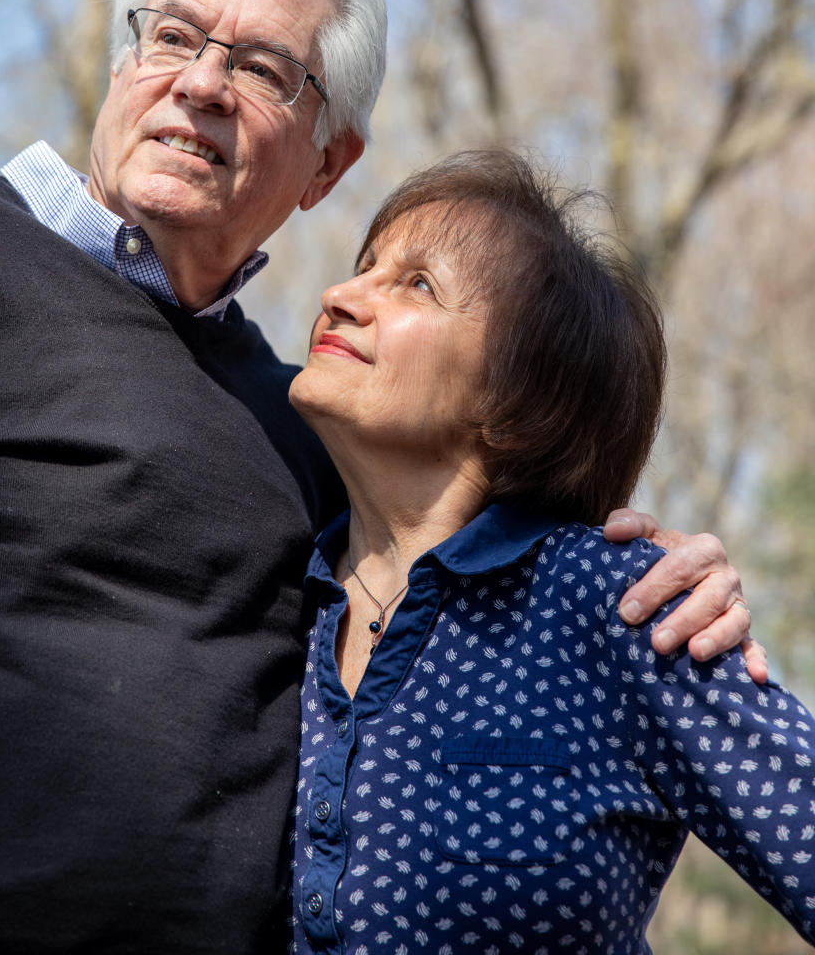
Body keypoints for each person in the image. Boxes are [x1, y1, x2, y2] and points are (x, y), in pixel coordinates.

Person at [0, 0, 757, 954]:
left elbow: (478, 564)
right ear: (121, 63)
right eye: (176, 36)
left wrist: (657, 572)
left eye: (263, 69)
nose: (200, 83)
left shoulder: (313, 430)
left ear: (328, 164)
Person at [288, 149, 815, 954]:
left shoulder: (618, 602)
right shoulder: (281, 600)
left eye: (417, 284)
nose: (339, 297)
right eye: (363, 269)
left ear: (516, 398)